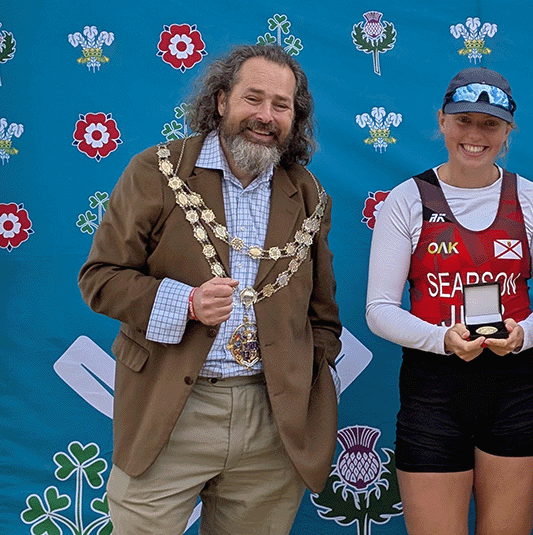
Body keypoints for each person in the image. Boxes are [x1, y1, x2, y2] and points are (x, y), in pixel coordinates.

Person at [78, 44, 341, 535]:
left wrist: (310, 379)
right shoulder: (156, 172)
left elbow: (322, 314)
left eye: (281, 105)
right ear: (221, 100)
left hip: (271, 421)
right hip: (171, 407)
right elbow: (100, 278)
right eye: (253, 98)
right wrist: (188, 303)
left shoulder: (308, 193)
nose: (266, 116)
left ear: (294, 117)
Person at [366, 67, 533, 535]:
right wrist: (442, 340)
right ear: (442, 121)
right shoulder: (407, 199)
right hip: (432, 390)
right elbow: (378, 309)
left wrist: (523, 335)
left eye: (490, 124)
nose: (475, 135)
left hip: (514, 387)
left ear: (508, 131)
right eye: (463, 120)